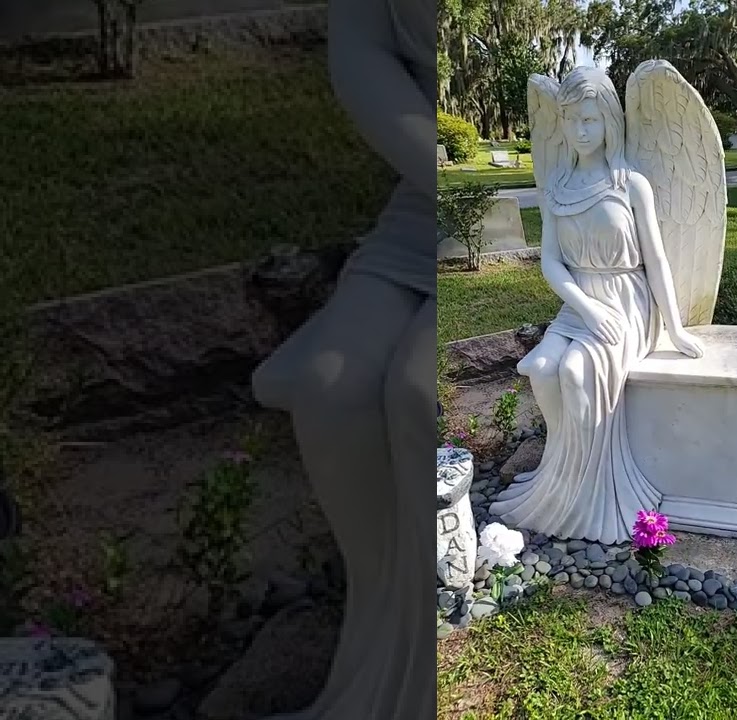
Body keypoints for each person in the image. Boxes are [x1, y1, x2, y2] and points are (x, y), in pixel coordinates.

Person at [249, 0, 434, 717]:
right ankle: (378, 660)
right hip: (426, 202)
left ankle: (446, 661)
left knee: (424, 391)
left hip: (520, 197)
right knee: (330, 389)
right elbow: (362, 63)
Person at [488, 68, 704, 545]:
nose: (579, 131)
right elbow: (551, 263)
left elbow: (657, 262)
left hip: (627, 302)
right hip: (581, 303)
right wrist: (584, 307)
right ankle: (560, 475)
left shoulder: (632, 185)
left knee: (574, 372)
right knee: (542, 368)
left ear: (608, 118)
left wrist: (675, 328)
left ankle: (592, 491)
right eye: (570, 121)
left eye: (589, 120)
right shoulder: (557, 186)